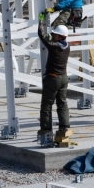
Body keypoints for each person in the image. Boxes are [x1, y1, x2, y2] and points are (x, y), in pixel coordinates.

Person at [37, 15, 72, 144]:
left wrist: (40, 21)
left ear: (61, 36)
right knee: (62, 103)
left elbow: (42, 36)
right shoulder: (67, 46)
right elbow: (50, 38)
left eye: (55, 35)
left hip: (53, 78)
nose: (53, 36)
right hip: (63, 78)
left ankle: (46, 130)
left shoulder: (54, 46)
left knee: (46, 105)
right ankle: (64, 127)